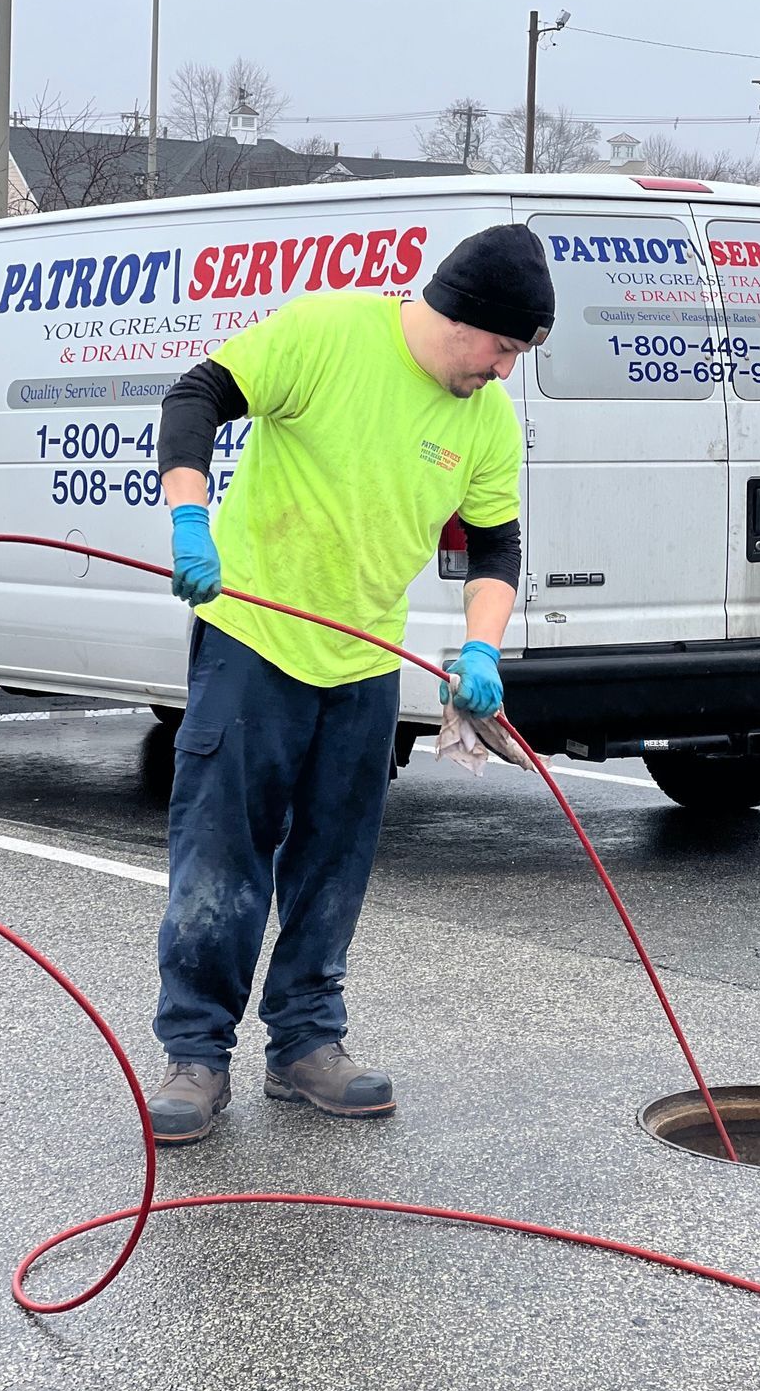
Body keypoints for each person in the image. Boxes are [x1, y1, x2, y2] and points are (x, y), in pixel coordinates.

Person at [146, 223, 555, 1143]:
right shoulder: (328, 334)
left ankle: (305, 1045)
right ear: (462, 316)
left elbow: (494, 546)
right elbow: (198, 395)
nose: (503, 371)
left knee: (336, 859)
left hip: (365, 657)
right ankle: (196, 1057)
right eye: (503, 348)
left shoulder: (484, 420)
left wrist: (481, 650)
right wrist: (190, 516)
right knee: (222, 854)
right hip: (252, 635)